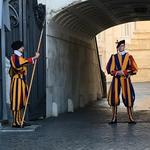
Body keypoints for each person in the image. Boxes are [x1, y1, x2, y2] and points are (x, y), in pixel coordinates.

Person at [9, 40, 40, 127]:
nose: (23, 48)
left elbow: (23, 62)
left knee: (21, 102)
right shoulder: (14, 57)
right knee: (16, 102)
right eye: (21, 47)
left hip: (21, 82)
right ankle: (15, 122)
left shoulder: (19, 57)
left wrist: (34, 59)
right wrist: (34, 57)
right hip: (16, 82)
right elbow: (19, 65)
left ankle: (20, 120)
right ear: (18, 48)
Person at [106, 40, 138, 124]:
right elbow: (109, 69)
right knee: (114, 98)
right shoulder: (114, 57)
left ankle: (130, 118)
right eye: (120, 46)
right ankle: (114, 118)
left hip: (125, 80)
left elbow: (134, 69)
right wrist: (117, 72)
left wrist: (124, 72)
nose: (122, 47)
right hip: (116, 79)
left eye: (123, 46)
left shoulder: (129, 57)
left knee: (129, 97)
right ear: (118, 48)